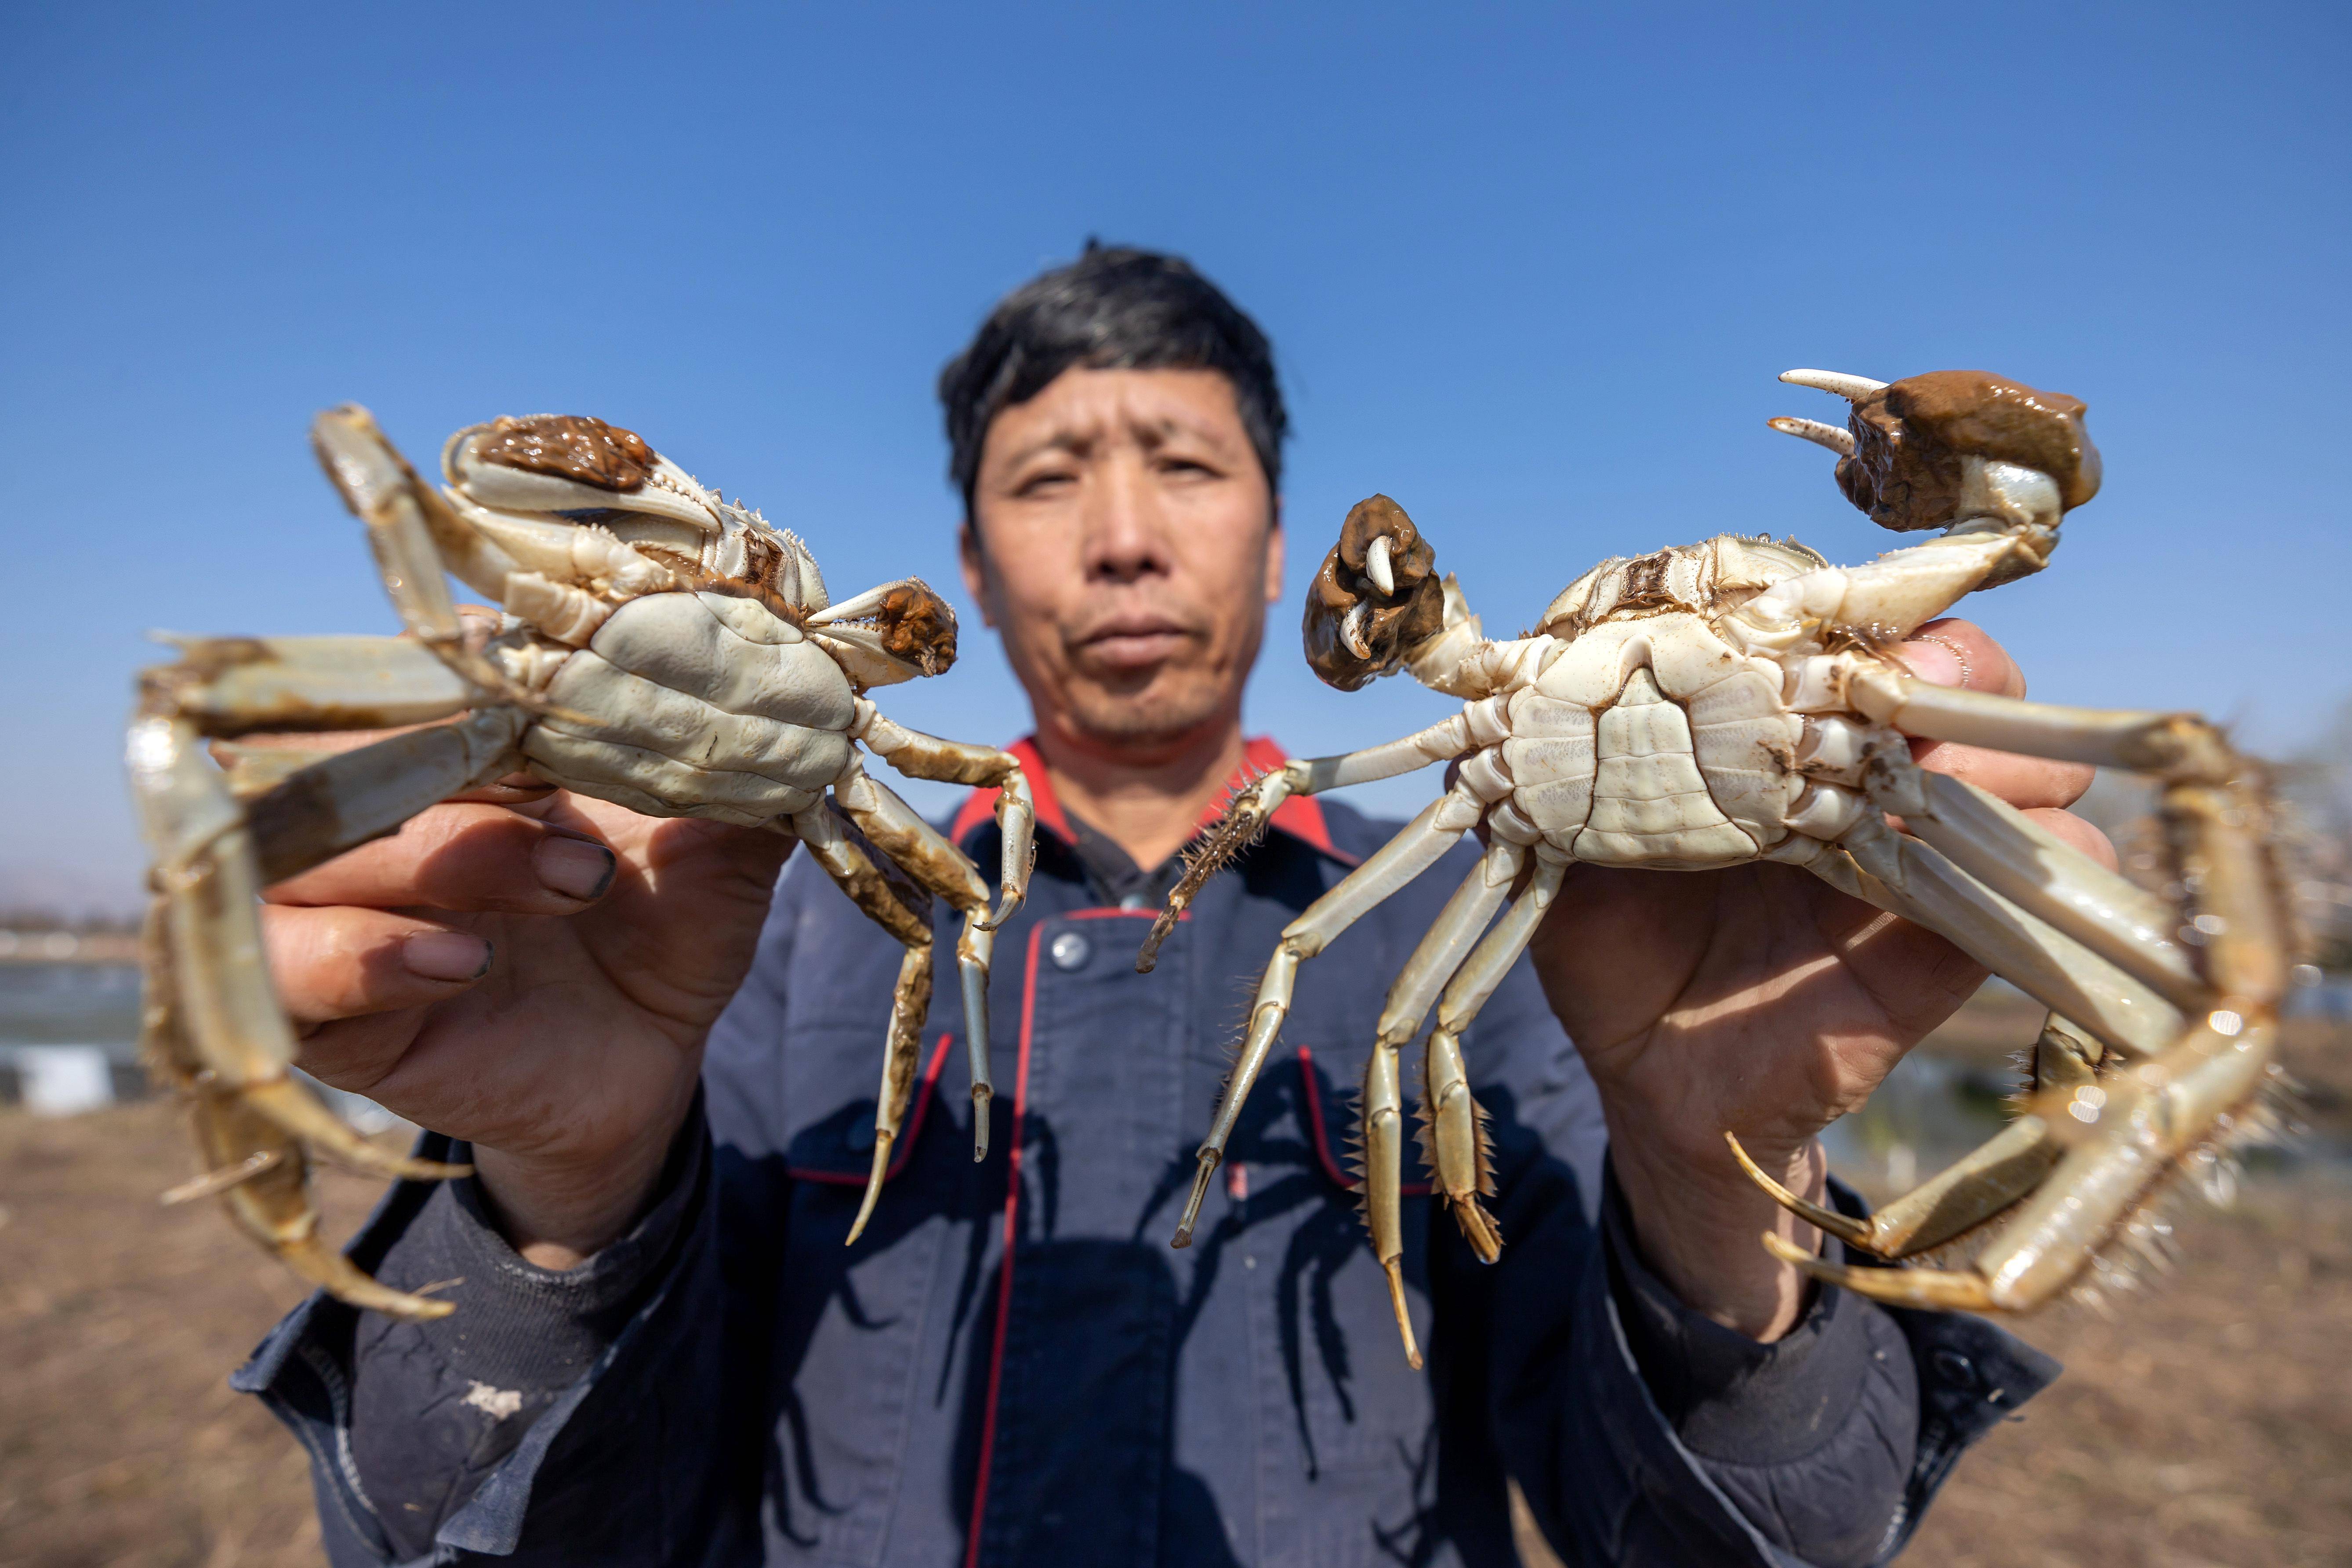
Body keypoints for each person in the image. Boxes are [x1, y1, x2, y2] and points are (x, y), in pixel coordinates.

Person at [241, 245, 2087, 1567]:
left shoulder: (1521, 948)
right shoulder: (735, 935)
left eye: (1187, 466)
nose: (1124, 535)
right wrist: (558, 1206)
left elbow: (1739, 1538)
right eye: (1049, 477)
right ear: (960, 565)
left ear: (1288, 548)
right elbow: (467, 1532)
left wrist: (1709, 1173)